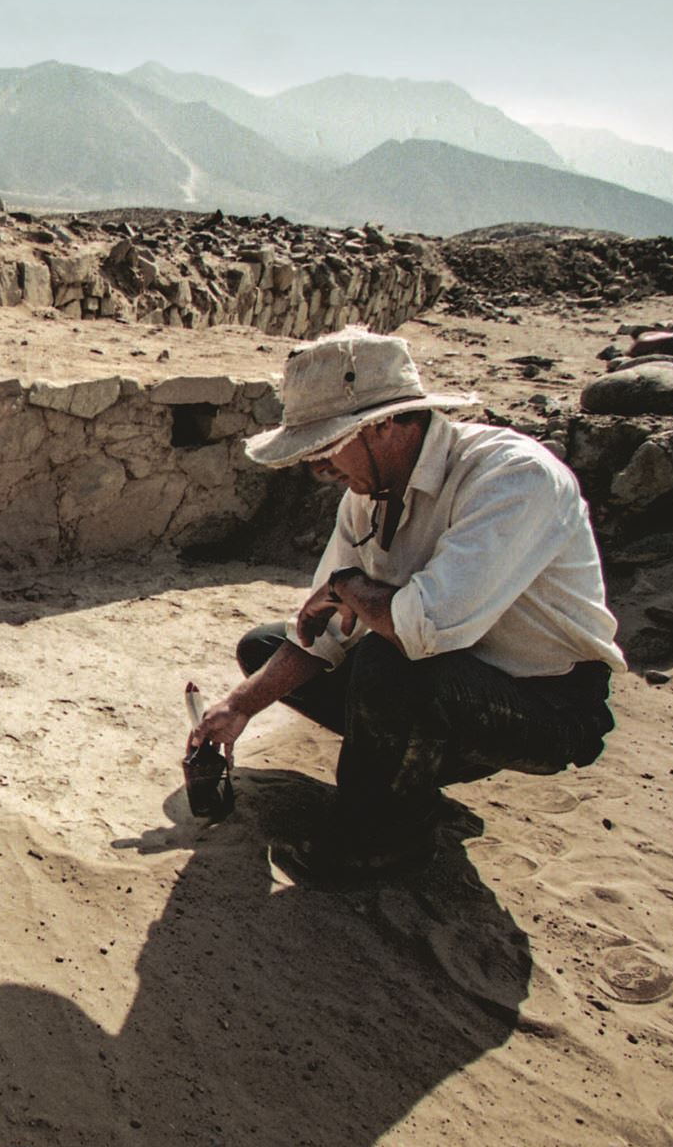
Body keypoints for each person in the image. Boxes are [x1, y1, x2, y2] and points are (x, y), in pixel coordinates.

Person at [186, 327, 624, 885]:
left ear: (385, 424)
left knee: (390, 663)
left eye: (326, 445)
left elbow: (423, 629)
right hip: (444, 681)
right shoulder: (365, 496)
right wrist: (240, 706)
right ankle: (406, 778)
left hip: (545, 704)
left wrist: (349, 588)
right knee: (266, 649)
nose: (317, 467)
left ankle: (379, 843)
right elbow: (323, 631)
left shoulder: (514, 478)